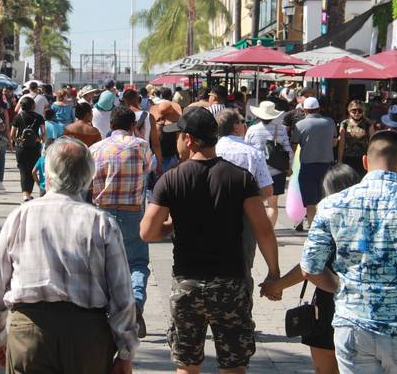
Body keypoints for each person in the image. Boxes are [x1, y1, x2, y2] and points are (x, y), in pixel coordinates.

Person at [300, 130, 397, 374]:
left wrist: (341, 287)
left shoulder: (332, 205)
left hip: (352, 326)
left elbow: (310, 268)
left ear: (365, 161)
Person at [140, 107, 282, 373]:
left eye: (179, 136)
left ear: (189, 139)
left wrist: (173, 225)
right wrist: (274, 274)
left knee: (187, 365)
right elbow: (263, 229)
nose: (177, 142)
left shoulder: (171, 180)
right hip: (230, 283)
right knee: (234, 366)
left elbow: (147, 232)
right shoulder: (241, 178)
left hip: (187, 284)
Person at [0, 137, 138, 373]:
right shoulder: (101, 223)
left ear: (48, 174)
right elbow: (122, 293)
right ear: (89, 176)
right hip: (87, 336)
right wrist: (126, 351)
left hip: (30, 334)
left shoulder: (21, 216)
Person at [268, 163, 361, 374]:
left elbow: (308, 266)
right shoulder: (369, 220)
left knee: (325, 369)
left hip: (329, 304)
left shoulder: (327, 216)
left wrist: (276, 285)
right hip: (362, 304)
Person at [90, 106, 154, 339]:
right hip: (133, 213)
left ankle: (107, 312)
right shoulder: (141, 146)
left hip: (102, 213)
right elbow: (149, 169)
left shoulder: (95, 149)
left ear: (110, 125)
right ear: (131, 126)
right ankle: (136, 303)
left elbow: (89, 180)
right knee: (137, 263)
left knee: (103, 264)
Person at [290, 97, 337, 229]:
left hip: (308, 167)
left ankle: (313, 231)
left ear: (304, 110)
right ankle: (326, 230)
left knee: (311, 203)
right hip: (327, 166)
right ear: (319, 109)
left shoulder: (300, 125)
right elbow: (334, 142)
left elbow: (293, 146)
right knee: (326, 200)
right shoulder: (330, 122)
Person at [245, 100, 291, 227]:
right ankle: (269, 230)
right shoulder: (280, 129)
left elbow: (246, 150)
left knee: (255, 203)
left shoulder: (252, 130)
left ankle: (257, 228)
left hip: (257, 171)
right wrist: (289, 167)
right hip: (277, 171)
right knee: (272, 205)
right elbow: (288, 150)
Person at [10, 96, 45, 202]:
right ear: (33, 106)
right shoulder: (39, 117)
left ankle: (25, 194)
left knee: (23, 171)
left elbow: (12, 134)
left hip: (22, 148)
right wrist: (38, 139)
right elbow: (43, 133)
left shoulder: (18, 117)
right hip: (35, 147)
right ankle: (29, 192)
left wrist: (18, 141)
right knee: (33, 170)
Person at [122, 89, 163, 176]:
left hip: (125, 159)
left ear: (124, 101)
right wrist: (159, 164)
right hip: (144, 160)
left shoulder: (120, 116)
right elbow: (156, 144)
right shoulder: (149, 116)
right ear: (138, 99)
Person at [337, 100, 371, 176]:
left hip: (363, 159)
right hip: (348, 158)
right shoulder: (344, 123)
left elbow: (372, 142)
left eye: (360, 110)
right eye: (354, 110)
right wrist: (339, 161)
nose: (357, 113)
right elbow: (341, 144)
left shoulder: (368, 123)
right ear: (349, 111)